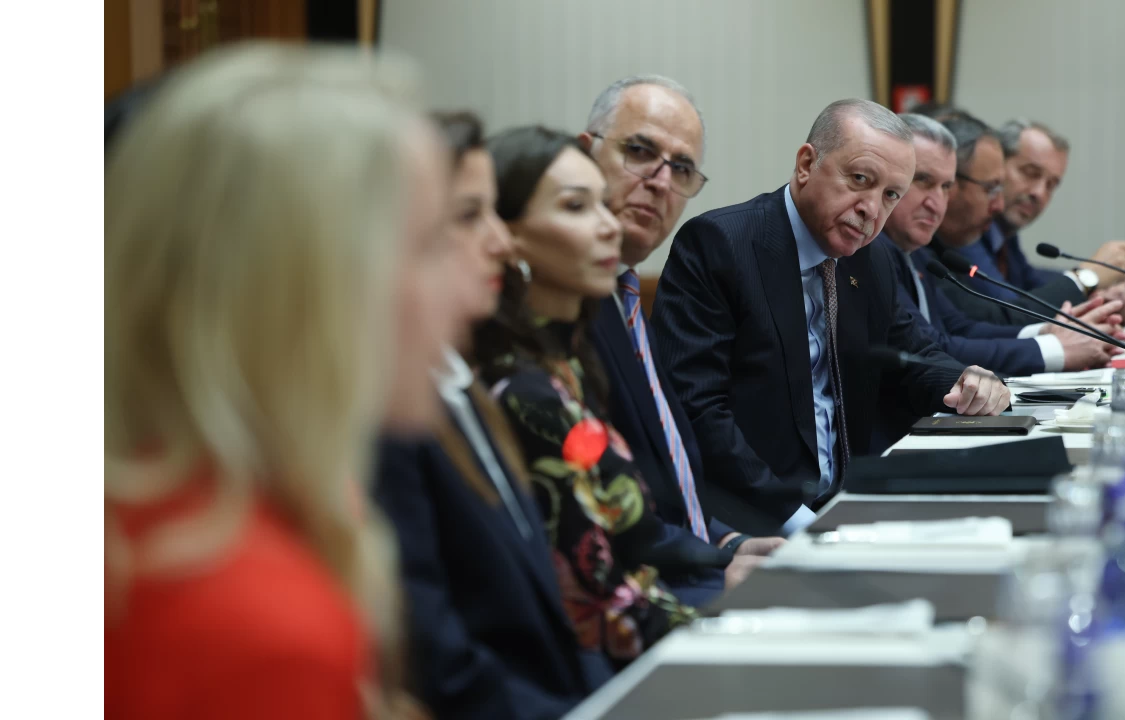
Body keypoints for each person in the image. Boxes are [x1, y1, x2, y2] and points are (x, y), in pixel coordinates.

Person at [105, 43, 460, 720]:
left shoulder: (158, 511)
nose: (467, 287)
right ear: (308, 284)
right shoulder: (254, 625)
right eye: (432, 242)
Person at [649, 99, 1011, 538]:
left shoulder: (871, 259)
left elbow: (914, 352)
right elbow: (698, 410)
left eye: (890, 195)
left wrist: (967, 382)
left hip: (847, 507)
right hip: (754, 521)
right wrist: (801, 523)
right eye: (860, 179)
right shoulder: (721, 245)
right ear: (806, 164)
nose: (871, 209)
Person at [373, 113, 610, 720]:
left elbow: (549, 622)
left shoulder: (465, 386)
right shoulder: (393, 416)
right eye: (467, 216)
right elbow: (439, 662)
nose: (500, 242)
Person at [474, 126, 702, 672]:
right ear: (506, 235)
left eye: (603, 203)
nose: (608, 226)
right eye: (577, 207)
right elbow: (603, 603)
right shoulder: (523, 392)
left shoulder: (570, 363)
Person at [578, 75, 781, 608]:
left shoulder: (626, 303)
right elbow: (595, 517)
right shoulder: (561, 314)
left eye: (682, 168)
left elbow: (661, 486)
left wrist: (729, 542)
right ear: (585, 153)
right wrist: (715, 568)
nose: (661, 181)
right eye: (640, 151)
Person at [876, 114, 1124, 376]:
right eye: (923, 180)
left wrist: (1047, 332)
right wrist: (1056, 346)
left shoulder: (914, 252)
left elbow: (962, 328)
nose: (937, 203)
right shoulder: (878, 251)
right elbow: (935, 347)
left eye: (945, 186)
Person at [931, 111, 1125, 325]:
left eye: (1051, 185)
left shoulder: (1005, 234)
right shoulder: (966, 228)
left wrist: (1095, 295)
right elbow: (1008, 311)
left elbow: (1030, 284)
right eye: (1030, 173)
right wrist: (1087, 277)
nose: (1039, 193)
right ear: (999, 163)